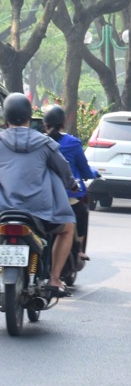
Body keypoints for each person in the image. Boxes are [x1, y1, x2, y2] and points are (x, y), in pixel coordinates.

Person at [0, 93, 77, 297]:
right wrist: (73, 185)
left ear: (5, 117)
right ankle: (54, 278)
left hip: (3, 210)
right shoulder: (45, 143)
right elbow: (64, 170)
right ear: (29, 117)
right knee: (68, 228)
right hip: (38, 212)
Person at [43, 104, 98, 261]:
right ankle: (79, 249)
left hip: (42, 194)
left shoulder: (38, 141)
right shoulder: (73, 143)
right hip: (68, 194)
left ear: (44, 124)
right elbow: (84, 169)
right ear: (63, 123)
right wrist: (93, 174)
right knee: (81, 212)